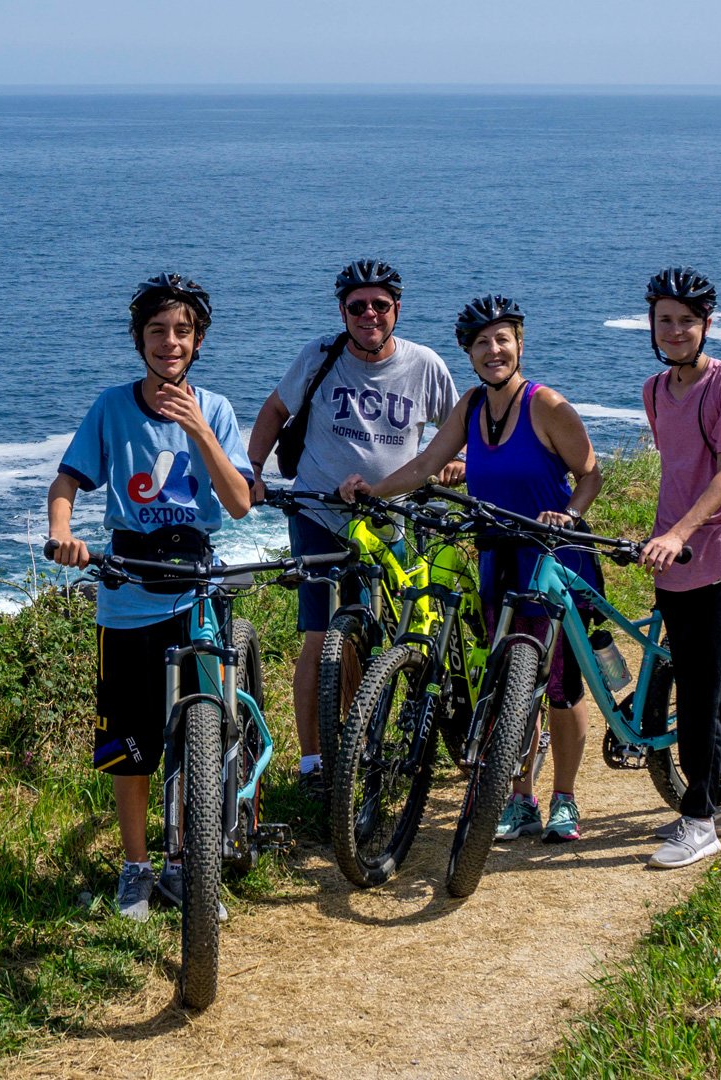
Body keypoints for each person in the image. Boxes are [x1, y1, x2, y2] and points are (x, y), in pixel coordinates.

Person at [340, 294, 602, 843]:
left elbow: (590, 475)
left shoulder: (546, 405)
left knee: (559, 685)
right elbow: (427, 465)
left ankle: (565, 799)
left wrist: (568, 515)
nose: (492, 350)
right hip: (496, 557)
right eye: (481, 342)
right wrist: (373, 494)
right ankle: (519, 797)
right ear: (469, 352)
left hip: (552, 556)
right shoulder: (472, 407)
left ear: (519, 344)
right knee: (508, 684)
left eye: (502, 339)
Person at [47, 273, 253, 920]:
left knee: (205, 737)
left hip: (195, 591)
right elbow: (67, 482)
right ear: (139, 338)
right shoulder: (112, 407)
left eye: (183, 331)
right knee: (129, 746)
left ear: (198, 342)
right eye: (159, 330)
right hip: (128, 593)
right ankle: (137, 868)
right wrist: (62, 536)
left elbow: (241, 504)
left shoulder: (214, 409)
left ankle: (186, 866)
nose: (171, 341)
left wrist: (202, 433)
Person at [246, 259, 463, 802]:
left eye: (379, 305)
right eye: (357, 306)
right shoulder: (320, 355)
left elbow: (456, 430)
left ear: (397, 309)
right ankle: (315, 760)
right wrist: (251, 472)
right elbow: (275, 410)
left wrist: (457, 464)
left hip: (391, 516)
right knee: (320, 637)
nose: (369, 314)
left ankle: (366, 738)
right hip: (318, 511)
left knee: (380, 631)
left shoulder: (425, 365)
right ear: (341, 311)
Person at [638, 266, 721, 869]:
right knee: (699, 677)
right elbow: (675, 468)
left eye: (687, 320)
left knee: (699, 685)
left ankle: (698, 820)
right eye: (666, 320)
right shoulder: (655, 390)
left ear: (706, 324)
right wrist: (662, 534)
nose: (676, 329)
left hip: (714, 549)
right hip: (670, 552)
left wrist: (681, 531)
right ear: (653, 326)